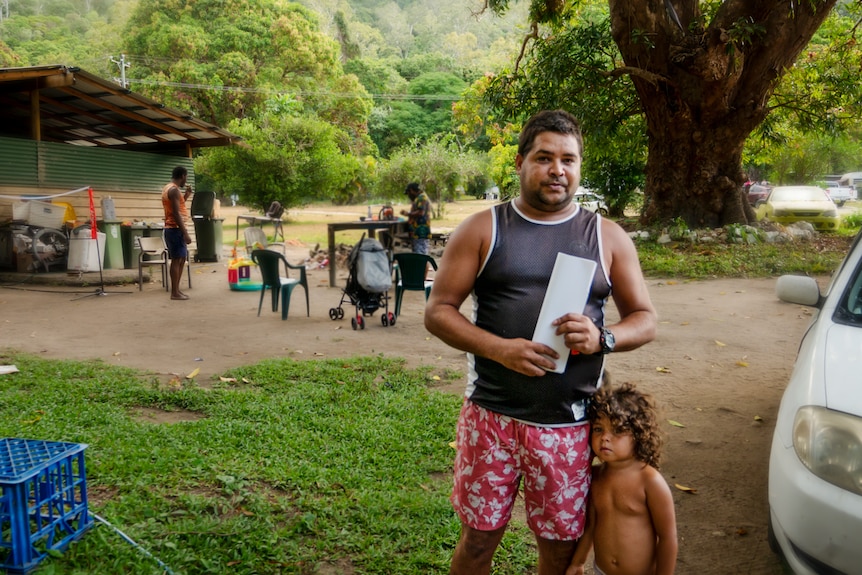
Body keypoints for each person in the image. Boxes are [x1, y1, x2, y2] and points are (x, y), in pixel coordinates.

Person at [424, 109, 657, 575]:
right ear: (520, 162)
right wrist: (498, 348)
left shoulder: (606, 237)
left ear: (579, 166)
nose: (558, 170)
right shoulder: (483, 230)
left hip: (569, 427)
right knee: (477, 541)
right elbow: (438, 312)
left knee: (559, 550)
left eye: (569, 160)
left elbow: (646, 320)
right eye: (545, 157)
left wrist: (602, 337)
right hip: (492, 418)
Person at [567, 382, 677, 575]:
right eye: (599, 429)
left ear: (639, 435)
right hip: (601, 571)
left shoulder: (650, 481)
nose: (605, 438)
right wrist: (578, 562)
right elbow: (592, 525)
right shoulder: (596, 476)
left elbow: (667, 537)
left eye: (617, 431)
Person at [161, 166, 193, 300]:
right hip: (175, 229)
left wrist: (186, 195)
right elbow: (176, 213)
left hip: (174, 229)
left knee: (181, 259)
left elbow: (177, 206)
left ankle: (177, 290)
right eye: (186, 177)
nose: (186, 180)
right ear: (183, 176)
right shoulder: (174, 190)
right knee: (176, 260)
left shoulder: (169, 188)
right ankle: (174, 292)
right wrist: (185, 232)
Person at [400, 182, 431, 254]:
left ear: (411, 190)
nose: (408, 196)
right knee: (419, 254)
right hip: (417, 232)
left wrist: (408, 214)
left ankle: (421, 265)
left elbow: (420, 212)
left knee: (420, 254)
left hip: (420, 232)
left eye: (408, 193)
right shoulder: (419, 198)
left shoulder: (421, 198)